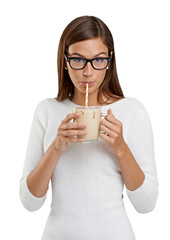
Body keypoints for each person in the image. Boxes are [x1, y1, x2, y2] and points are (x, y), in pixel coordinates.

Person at [20, 16, 159, 240]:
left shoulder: (132, 111)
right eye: (77, 60)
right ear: (64, 61)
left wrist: (120, 148)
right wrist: (56, 147)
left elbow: (146, 204)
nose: (88, 72)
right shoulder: (46, 111)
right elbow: (30, 202)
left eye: (98, 60)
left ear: (109, 60)